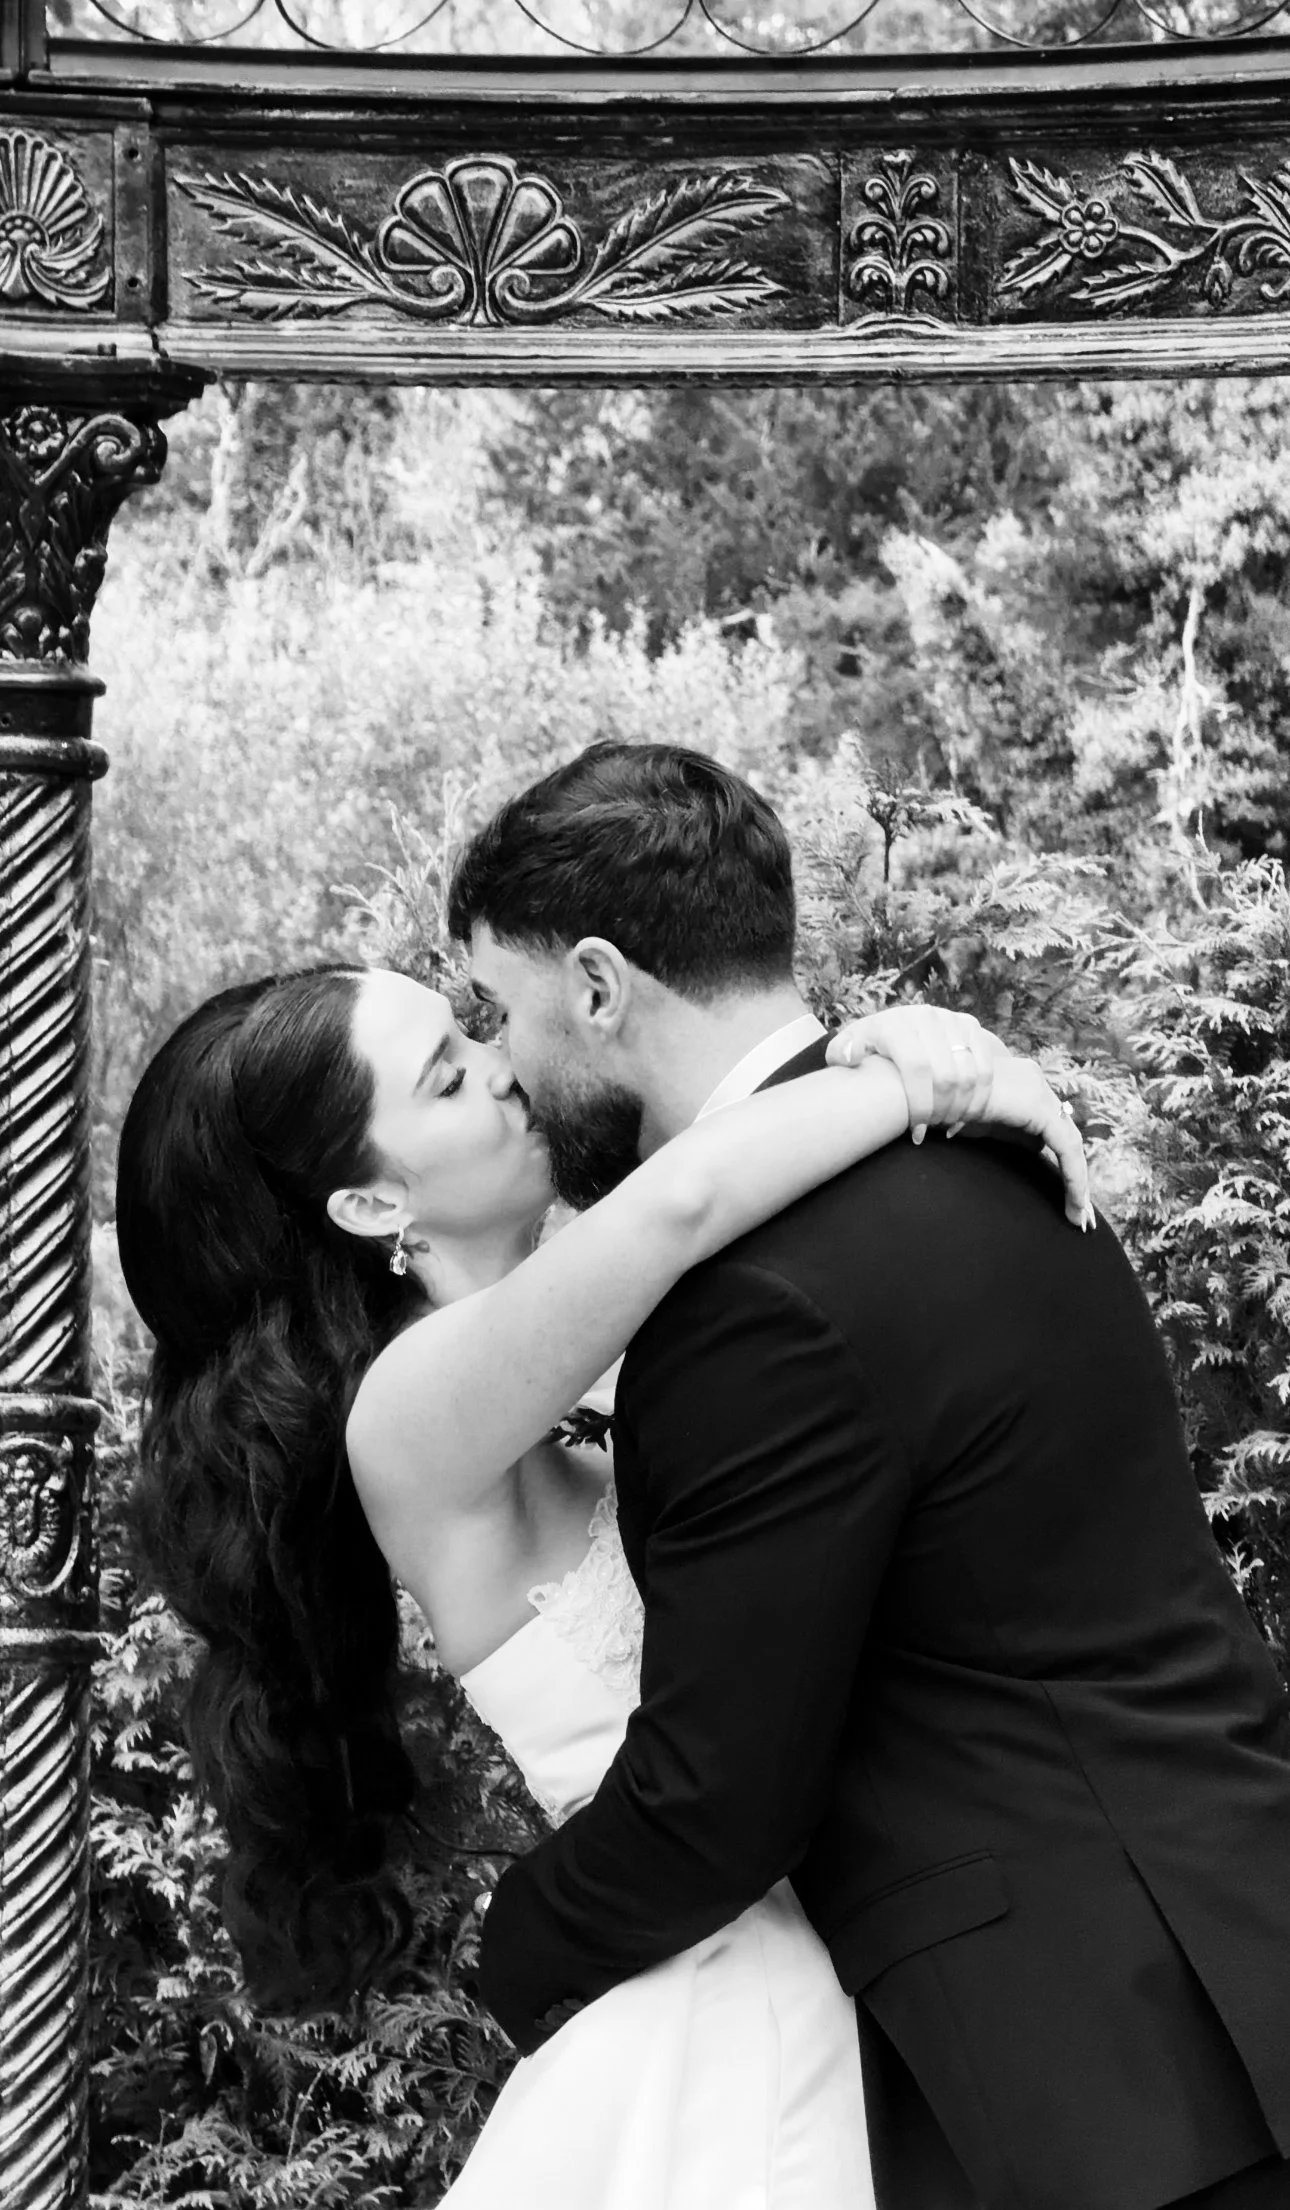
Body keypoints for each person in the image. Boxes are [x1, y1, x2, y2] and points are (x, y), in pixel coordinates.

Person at [448, 740, 1290, 2210]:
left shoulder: (754, 1297)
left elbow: (720, 1799)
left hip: (1097, 2071)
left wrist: (493, 1959)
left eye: (499, 1012)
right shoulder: (993, 1148)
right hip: (1230, 1940)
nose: (508, 1068)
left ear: (595, 985)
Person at [115, 954, 1086, 2210]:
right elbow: (687, 1198)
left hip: (831, 1941)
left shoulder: (569, 1358)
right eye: (448, 1075)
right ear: (369, 1204)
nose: (504, 1067)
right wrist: (924, 1072)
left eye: (474, 1032)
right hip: (723, 1996)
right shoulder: (410, 1410)